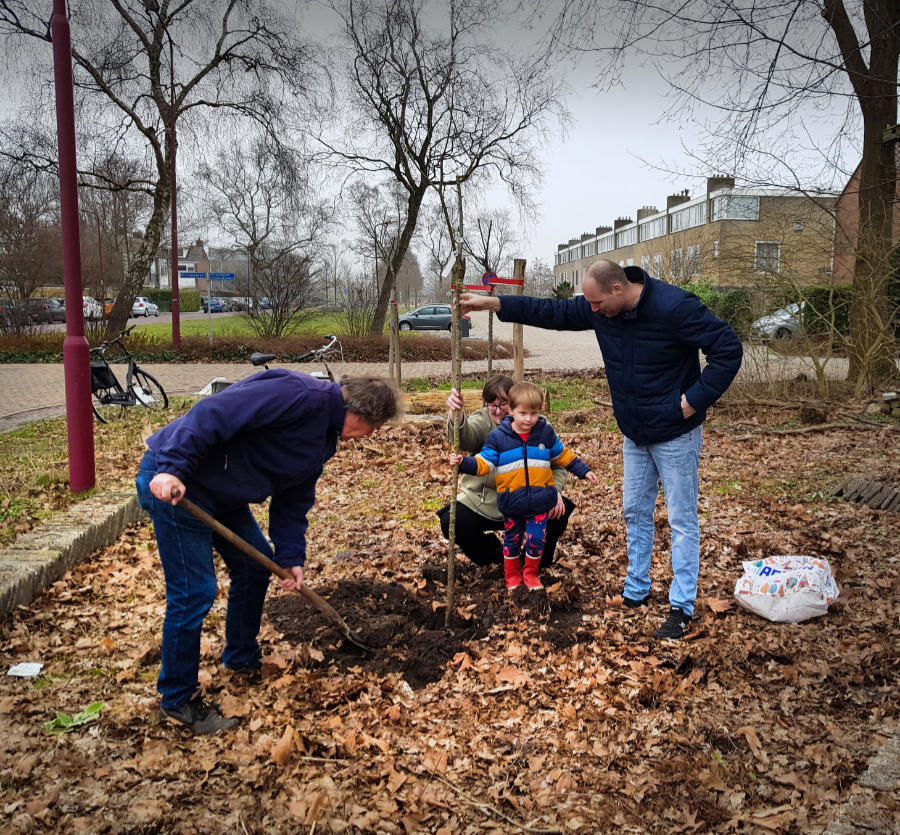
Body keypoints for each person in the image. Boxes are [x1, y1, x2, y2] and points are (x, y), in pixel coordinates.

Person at [461, 259, 742, 638]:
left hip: (677, 433)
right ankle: (637, 590)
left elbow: (728, 348)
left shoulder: (675, 306)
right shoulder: (603, 309)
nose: (592, 310)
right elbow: (552, 311)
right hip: (635, 433)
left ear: (618, 289)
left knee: (681, 520)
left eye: (596, 303)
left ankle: (681, 606)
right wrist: (494, 303)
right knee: (635, 512)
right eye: (589, 304)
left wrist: (693, 401)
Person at [136, 371, 401, 734]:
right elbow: (214, 412)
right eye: (373, 426)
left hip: (221, 492)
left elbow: (294, 497)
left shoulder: (324, 438)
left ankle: (241, 657)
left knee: (254, 566)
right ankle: (178, 699)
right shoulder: (297, 394)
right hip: (179, 484)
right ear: (357, 412)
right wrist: (172, 467)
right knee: (194, 591)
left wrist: (291, 557)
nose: (371, 435)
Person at [450, 382, 598, 591]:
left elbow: (563, 455)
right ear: (511, 411)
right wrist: (463, 463)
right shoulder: (498, 438)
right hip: (512, 503)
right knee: (512, 541)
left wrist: (584, 471)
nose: (528, 419)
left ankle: (531, 574)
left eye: (533, 413)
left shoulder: (544, 433)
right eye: (523, 413)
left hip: (539, 502)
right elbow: (484, 463)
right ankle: (512, 576)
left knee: (537, 538)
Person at [436, 375, 577, 572]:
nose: (497, 410)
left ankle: (535, 562)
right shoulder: (483, 421)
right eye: (491, 404)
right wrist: (456, 415)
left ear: (513, 404)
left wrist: (554, 491)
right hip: (486, 501)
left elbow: (559, 462)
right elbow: (465, 438)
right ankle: (494, 558)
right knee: (452, 520)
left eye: (502, 404)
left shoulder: (538, 426)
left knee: (558, 512)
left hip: (529, 500)